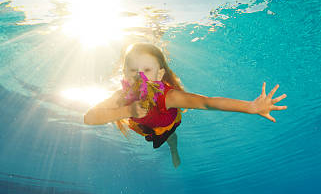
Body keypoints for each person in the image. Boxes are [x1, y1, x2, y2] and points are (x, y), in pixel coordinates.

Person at [83, 43, 287, 168]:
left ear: (160, 74)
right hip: (142, 126)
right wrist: (127, 110)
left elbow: (206, 102)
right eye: (133, 70)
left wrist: (250, 107)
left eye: (147, 69)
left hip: (167, 124)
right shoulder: (122, 97)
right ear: (124, 73)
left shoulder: (169, 97)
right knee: (149, 133)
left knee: (170, 137)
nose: (140, 76)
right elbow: (89, 118)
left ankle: (174, 149)